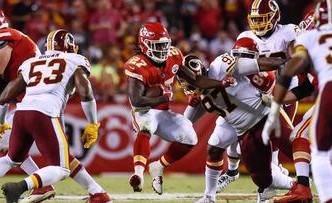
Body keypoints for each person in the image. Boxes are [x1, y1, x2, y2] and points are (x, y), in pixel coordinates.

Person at [0, 9, 110, 202]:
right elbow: (86, 91)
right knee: (60, 166)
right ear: (71, 48)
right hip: (45, 111)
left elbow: (5, 95)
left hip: (22, 110)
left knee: (11, 156)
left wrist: (1, 122)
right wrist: (93, 123)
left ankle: (97, 192)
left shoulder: (32, 63)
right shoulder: (74, 59)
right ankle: (23, 186)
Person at [125, 21, 236, 195]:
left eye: (164, 45)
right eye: (157, 45)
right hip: (144, 111)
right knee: (146, 128)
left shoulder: (174, 55)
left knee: (190, 137)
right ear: (145, 44)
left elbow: (196, 80)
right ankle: (138, 174)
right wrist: (163, 96)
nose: (162, 50)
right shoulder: (137, 64)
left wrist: (220, 83)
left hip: (164, 112)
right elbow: (137, 100)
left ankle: (158, 166)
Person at [182, 38, 294, 203]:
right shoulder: (200, 97)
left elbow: (255, 65)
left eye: (189, 81)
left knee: (298, 150)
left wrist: (285, 62)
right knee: (259, 177)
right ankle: (211, 195)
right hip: (240, 127)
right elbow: (184, 124)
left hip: (263, 115)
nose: (188, 86)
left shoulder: (220, 66)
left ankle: (308, 180)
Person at [0, 7, 57, 201]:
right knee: (5, 145)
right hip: (31, 98)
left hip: (33, 100)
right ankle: (43, 186)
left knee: (61, 161)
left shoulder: (2, 35)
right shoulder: (9, 44)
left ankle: (92, 191)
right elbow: (1, 87)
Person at [217, 0, 301, 193]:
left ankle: (283, 180)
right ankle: (255, 176)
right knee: (243, 137)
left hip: (284, 92)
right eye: (255, 20)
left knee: (277, 140)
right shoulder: (245, 36)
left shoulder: (288, 31)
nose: (258, 24)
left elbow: (301, 53)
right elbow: (237, 67)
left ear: (275, 17)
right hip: (256, 95)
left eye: (263, 19)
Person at [262, 1, 332, 202]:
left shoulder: (310, 38)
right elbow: (305, 89)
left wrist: (275, 102)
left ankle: (303, 189)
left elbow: (289, 73)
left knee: (302, 137)